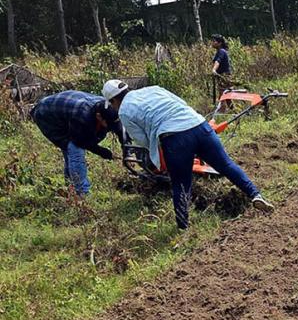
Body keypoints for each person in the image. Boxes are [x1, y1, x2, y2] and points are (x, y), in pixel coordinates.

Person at [102, 80, 273, 229]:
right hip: (198, 124)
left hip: (174, 137)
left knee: (181, 183)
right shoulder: (153, 89)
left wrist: (158, 152)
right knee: (226, 165)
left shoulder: (124, 111)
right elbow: (181, 102)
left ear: (114, 100)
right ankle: (255, 195)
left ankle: (183, 226)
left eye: (112, 104)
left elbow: (141, 140)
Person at [31, 90, 124, 196]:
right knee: (74, 149)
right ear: (99, 117)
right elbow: (83, 142)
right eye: (108, 123)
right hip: (47, 114)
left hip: (68, 110)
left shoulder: (109, 107)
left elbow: (119, 129)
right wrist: (105, 152)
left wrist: (127, 151)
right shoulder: (82, 116)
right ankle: (81, 193)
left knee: (73, 148)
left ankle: (70, 185)